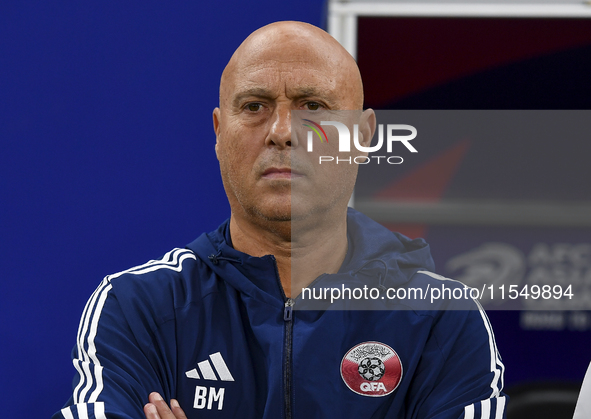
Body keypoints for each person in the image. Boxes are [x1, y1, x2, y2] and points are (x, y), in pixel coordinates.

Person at [53, 21, 506, 419]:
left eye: (314, 105)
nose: (283, 132)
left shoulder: (441, 318)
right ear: (218, 131)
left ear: (363, 137)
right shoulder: (138, 308)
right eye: (254, 106)